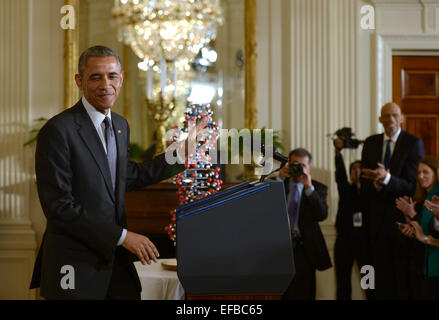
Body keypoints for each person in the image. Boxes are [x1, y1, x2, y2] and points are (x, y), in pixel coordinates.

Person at [29, 46, 207, 300]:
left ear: (121, 79)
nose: (106, 84)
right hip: (74, 267)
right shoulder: (58, 130)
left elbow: (129, 175)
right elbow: (59, 207)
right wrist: (123, 237)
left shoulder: (121, 125)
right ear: (79, 81)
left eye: (112, 76)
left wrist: (178, 154)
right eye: (95, 77)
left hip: (114, 265)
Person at [361, 102, 424, 299]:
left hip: (402, 219)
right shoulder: (371, 143)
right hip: (376, 219)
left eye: (394, 115)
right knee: (378, 275)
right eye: (386, 116)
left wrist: (387, 179)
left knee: (401, 276)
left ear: (402, 117)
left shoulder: (413, 143)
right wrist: (378, 182)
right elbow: (364, 184)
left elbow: (414, 185)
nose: (390, 120)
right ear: (380, 119)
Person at [279, 148, 332, 300]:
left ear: (309, 168)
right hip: (280, 249)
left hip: (305, 249)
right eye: (295, 164)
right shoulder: (280, 184)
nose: (298, 169)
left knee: (305, 293)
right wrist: (279, 180)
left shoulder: (318, 188)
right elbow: (265, 209)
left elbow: (322, 215)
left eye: (302, 165)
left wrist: (309, 188)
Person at [396, 157, 439, 299]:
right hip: (423, 263)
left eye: (425, 172)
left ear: (436, 173)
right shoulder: (425, 197)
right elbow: (424, 230)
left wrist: (412, 215)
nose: (420, 176)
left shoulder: (435, 198)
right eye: (419, 172)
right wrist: (410, 225)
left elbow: (433, 232)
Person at [333, 139, 370, 300]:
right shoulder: (345, 189)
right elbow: (340, 174)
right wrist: (338, 153)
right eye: (354, 169)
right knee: (342, 283)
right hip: (344, 242)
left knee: (370, 283)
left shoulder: (372, 192)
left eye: (360, 168)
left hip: (366, 243)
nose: (357, 171)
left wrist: (367, 147)